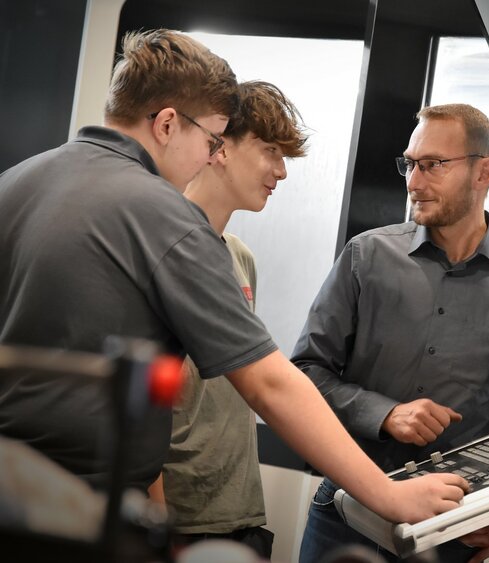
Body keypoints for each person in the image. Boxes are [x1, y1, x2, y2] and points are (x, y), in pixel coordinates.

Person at [0, 28, 467, 533]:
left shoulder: (16, 182)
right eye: (210, 140)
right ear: (167, 124)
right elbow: (269, 383)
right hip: (81, 514)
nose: (209, 157)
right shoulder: (164, 216)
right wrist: (389, 495)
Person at [293, 103, 489, 563]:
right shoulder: (366, 257)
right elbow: (305, 373)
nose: (413, 181)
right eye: (410, 164)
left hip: (456, 528)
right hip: (347, 510)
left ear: (484, 172)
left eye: (432, 165)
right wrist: (385, 414)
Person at [146, 80, 307, 558]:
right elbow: (139, 403)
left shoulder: (239, 257)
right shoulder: (158, 246)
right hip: (178, 519)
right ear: (218, 147)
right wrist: (156, 524)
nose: (281, 171)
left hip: (239, 512)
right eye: (270, 151)